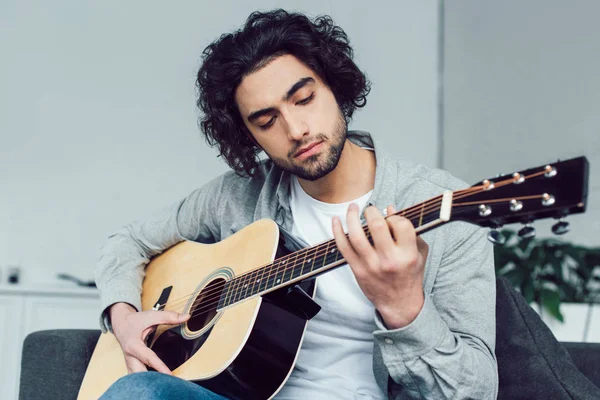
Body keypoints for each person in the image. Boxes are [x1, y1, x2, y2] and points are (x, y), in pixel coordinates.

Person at [95, 9, 498, 400]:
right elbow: (126, 241)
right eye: (267, 122)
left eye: (304, 99)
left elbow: (477, 392)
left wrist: (404, 307)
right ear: (249, 136)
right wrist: (124, 318)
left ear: (335, 87)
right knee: (138, 391)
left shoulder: (443, 208)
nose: (296, 130)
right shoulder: (237, 195)